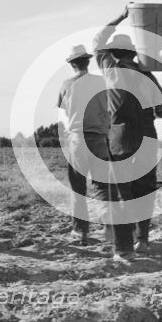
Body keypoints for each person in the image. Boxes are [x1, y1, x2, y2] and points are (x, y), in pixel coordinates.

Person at [92, 7, 162, 261]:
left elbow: (97, 41)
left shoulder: (110, 70)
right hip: (147, 135)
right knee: (145, 190)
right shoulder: (146, 75)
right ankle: (143, 240)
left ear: (114, 54)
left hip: (120, 138)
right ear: (134, 55)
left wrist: (121, 16)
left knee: (121, 192)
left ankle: (124, 248)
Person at [57, 44, 112, 245]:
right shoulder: (102, 82)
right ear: (88, 62)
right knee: (102, 186)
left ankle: (80, 231)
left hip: (78, 140)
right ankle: (108, 228)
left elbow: (64, 109)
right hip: (100, 139)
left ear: (72, 64)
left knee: (78, 188)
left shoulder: (66, 84)